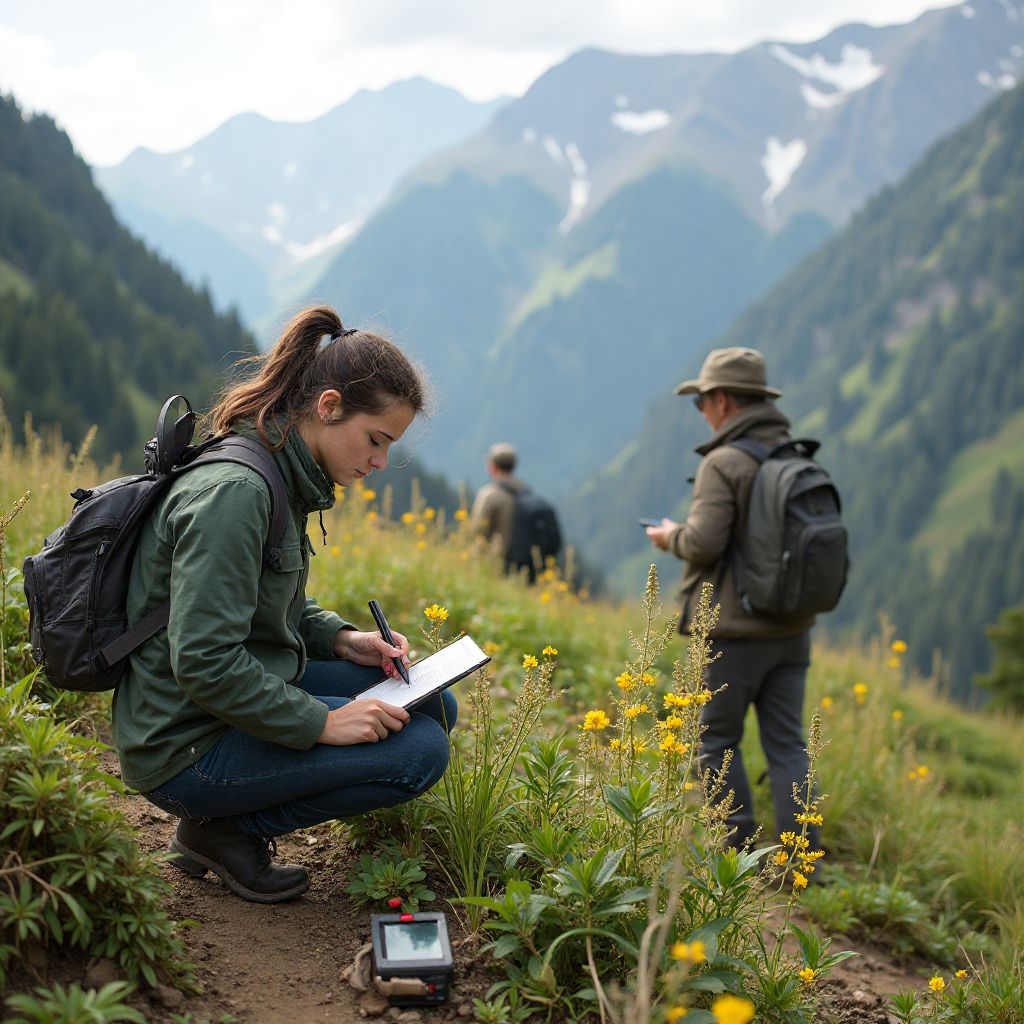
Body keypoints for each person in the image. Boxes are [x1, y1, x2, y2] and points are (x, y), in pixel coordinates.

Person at [111, 305, 457, 904]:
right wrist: (323, 723)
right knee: (420, 751)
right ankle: (221, 828)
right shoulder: (238, 493)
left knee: (432, 702)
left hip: (227, 700)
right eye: (376, 440)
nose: (380, 463)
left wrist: (344, 639)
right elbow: (203, 662)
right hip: (184, 743)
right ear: (328, 406)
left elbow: (266, 597)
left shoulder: (279, 469)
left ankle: (227, 820)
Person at [646, 347, 819, 854]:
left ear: (721, 400)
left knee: (715, 740)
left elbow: (703, 543)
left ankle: (737, 856)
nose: (702, 412)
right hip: (792, 628)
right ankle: (802, 858)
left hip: (734, 632)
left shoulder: (724, 462)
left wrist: (670, 536)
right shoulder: (794, 455)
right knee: (787, 743)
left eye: (701, 402)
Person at [470, 442, 524, 560]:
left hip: (497, 560)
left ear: (493, 466)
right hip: (525, 561)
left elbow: (478, 532)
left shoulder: (489, 495)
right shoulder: (524, 492)